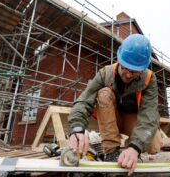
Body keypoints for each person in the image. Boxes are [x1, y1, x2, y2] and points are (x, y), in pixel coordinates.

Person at [68, 34, 161, 176]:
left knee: (153, 143)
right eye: (125, 68)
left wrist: (135, 148)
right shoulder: (105, 73)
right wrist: (77, 128)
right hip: (112, 119)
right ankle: (112, 152)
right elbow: (84, 100)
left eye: (134, 71)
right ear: (119, 59)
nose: (128, 75)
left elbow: (149, 113)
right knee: (104, 93)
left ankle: (131, 149)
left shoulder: (149, 78)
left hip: (133, 120)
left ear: (142, 69)